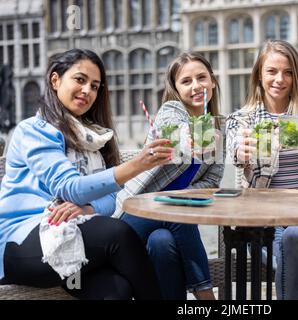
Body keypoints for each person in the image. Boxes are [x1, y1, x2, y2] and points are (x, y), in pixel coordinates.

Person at [0, 49, 174, 300]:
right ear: (55, 80)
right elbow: (70, 187)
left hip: (72, 241)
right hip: (21, 245)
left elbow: (110, 199)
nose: (88, 91)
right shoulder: (33, 130)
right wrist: (137, 164)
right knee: (118, 234)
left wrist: (87, 210)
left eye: (95, 86)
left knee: (117, 291)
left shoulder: (93, 137)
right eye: (80, 80)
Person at [226, 39, 298, 300]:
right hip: (266, 218)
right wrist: (242, 152)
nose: (280, 79)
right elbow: (235, 152)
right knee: (285, 240)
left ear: (296, 76)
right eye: (272, 71)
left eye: (288, 72)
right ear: (259, 75)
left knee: (294, 237)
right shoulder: (243, 119)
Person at [113, 51, 224, 300]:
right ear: (175, 88)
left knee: (162, 243)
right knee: (177, 211)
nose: (196, 86)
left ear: (213, 82)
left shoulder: (220, 126)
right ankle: (206, 294)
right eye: (186, 81)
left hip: (165, 225)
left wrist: (184, 194)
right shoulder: (170, 111)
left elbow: (213, 181)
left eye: (201, 78)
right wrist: (193, 141)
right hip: (134, 214)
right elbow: (177, 135)